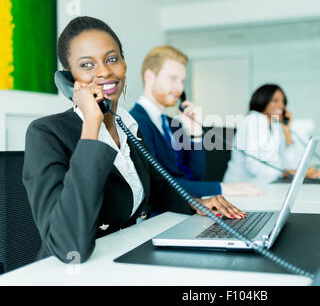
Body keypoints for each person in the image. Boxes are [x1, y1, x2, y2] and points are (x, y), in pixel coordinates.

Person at [22, 16, 246, 264]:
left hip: (124, 259)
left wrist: (197, 203)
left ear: (124, 65)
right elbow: (68, 247)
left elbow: (159, 188)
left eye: (112, 59)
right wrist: (92, 125)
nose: (105, 71)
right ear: (69, 78)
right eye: (87, 65)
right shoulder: (46, 133)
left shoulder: (129, 126)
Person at [129, 45, 264, 198]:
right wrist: (221, 188)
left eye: (182, 81)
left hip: (185, 208)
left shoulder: (173, 124)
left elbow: (195, 177)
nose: (179, 88)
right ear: (149, 76)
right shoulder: (134, 122)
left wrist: (196, 135)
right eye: (173, 78)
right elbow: (157, 186)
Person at [223, 84, 320, 184]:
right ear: (262, 101)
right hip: (241, 186)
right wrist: (284, 173)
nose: (281, 106)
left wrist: (287, 131)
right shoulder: (252, 122)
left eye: (283, 102)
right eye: (275, 101)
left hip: (268, 183)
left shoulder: (275, 125)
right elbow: (254, 167)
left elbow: (291, 163)